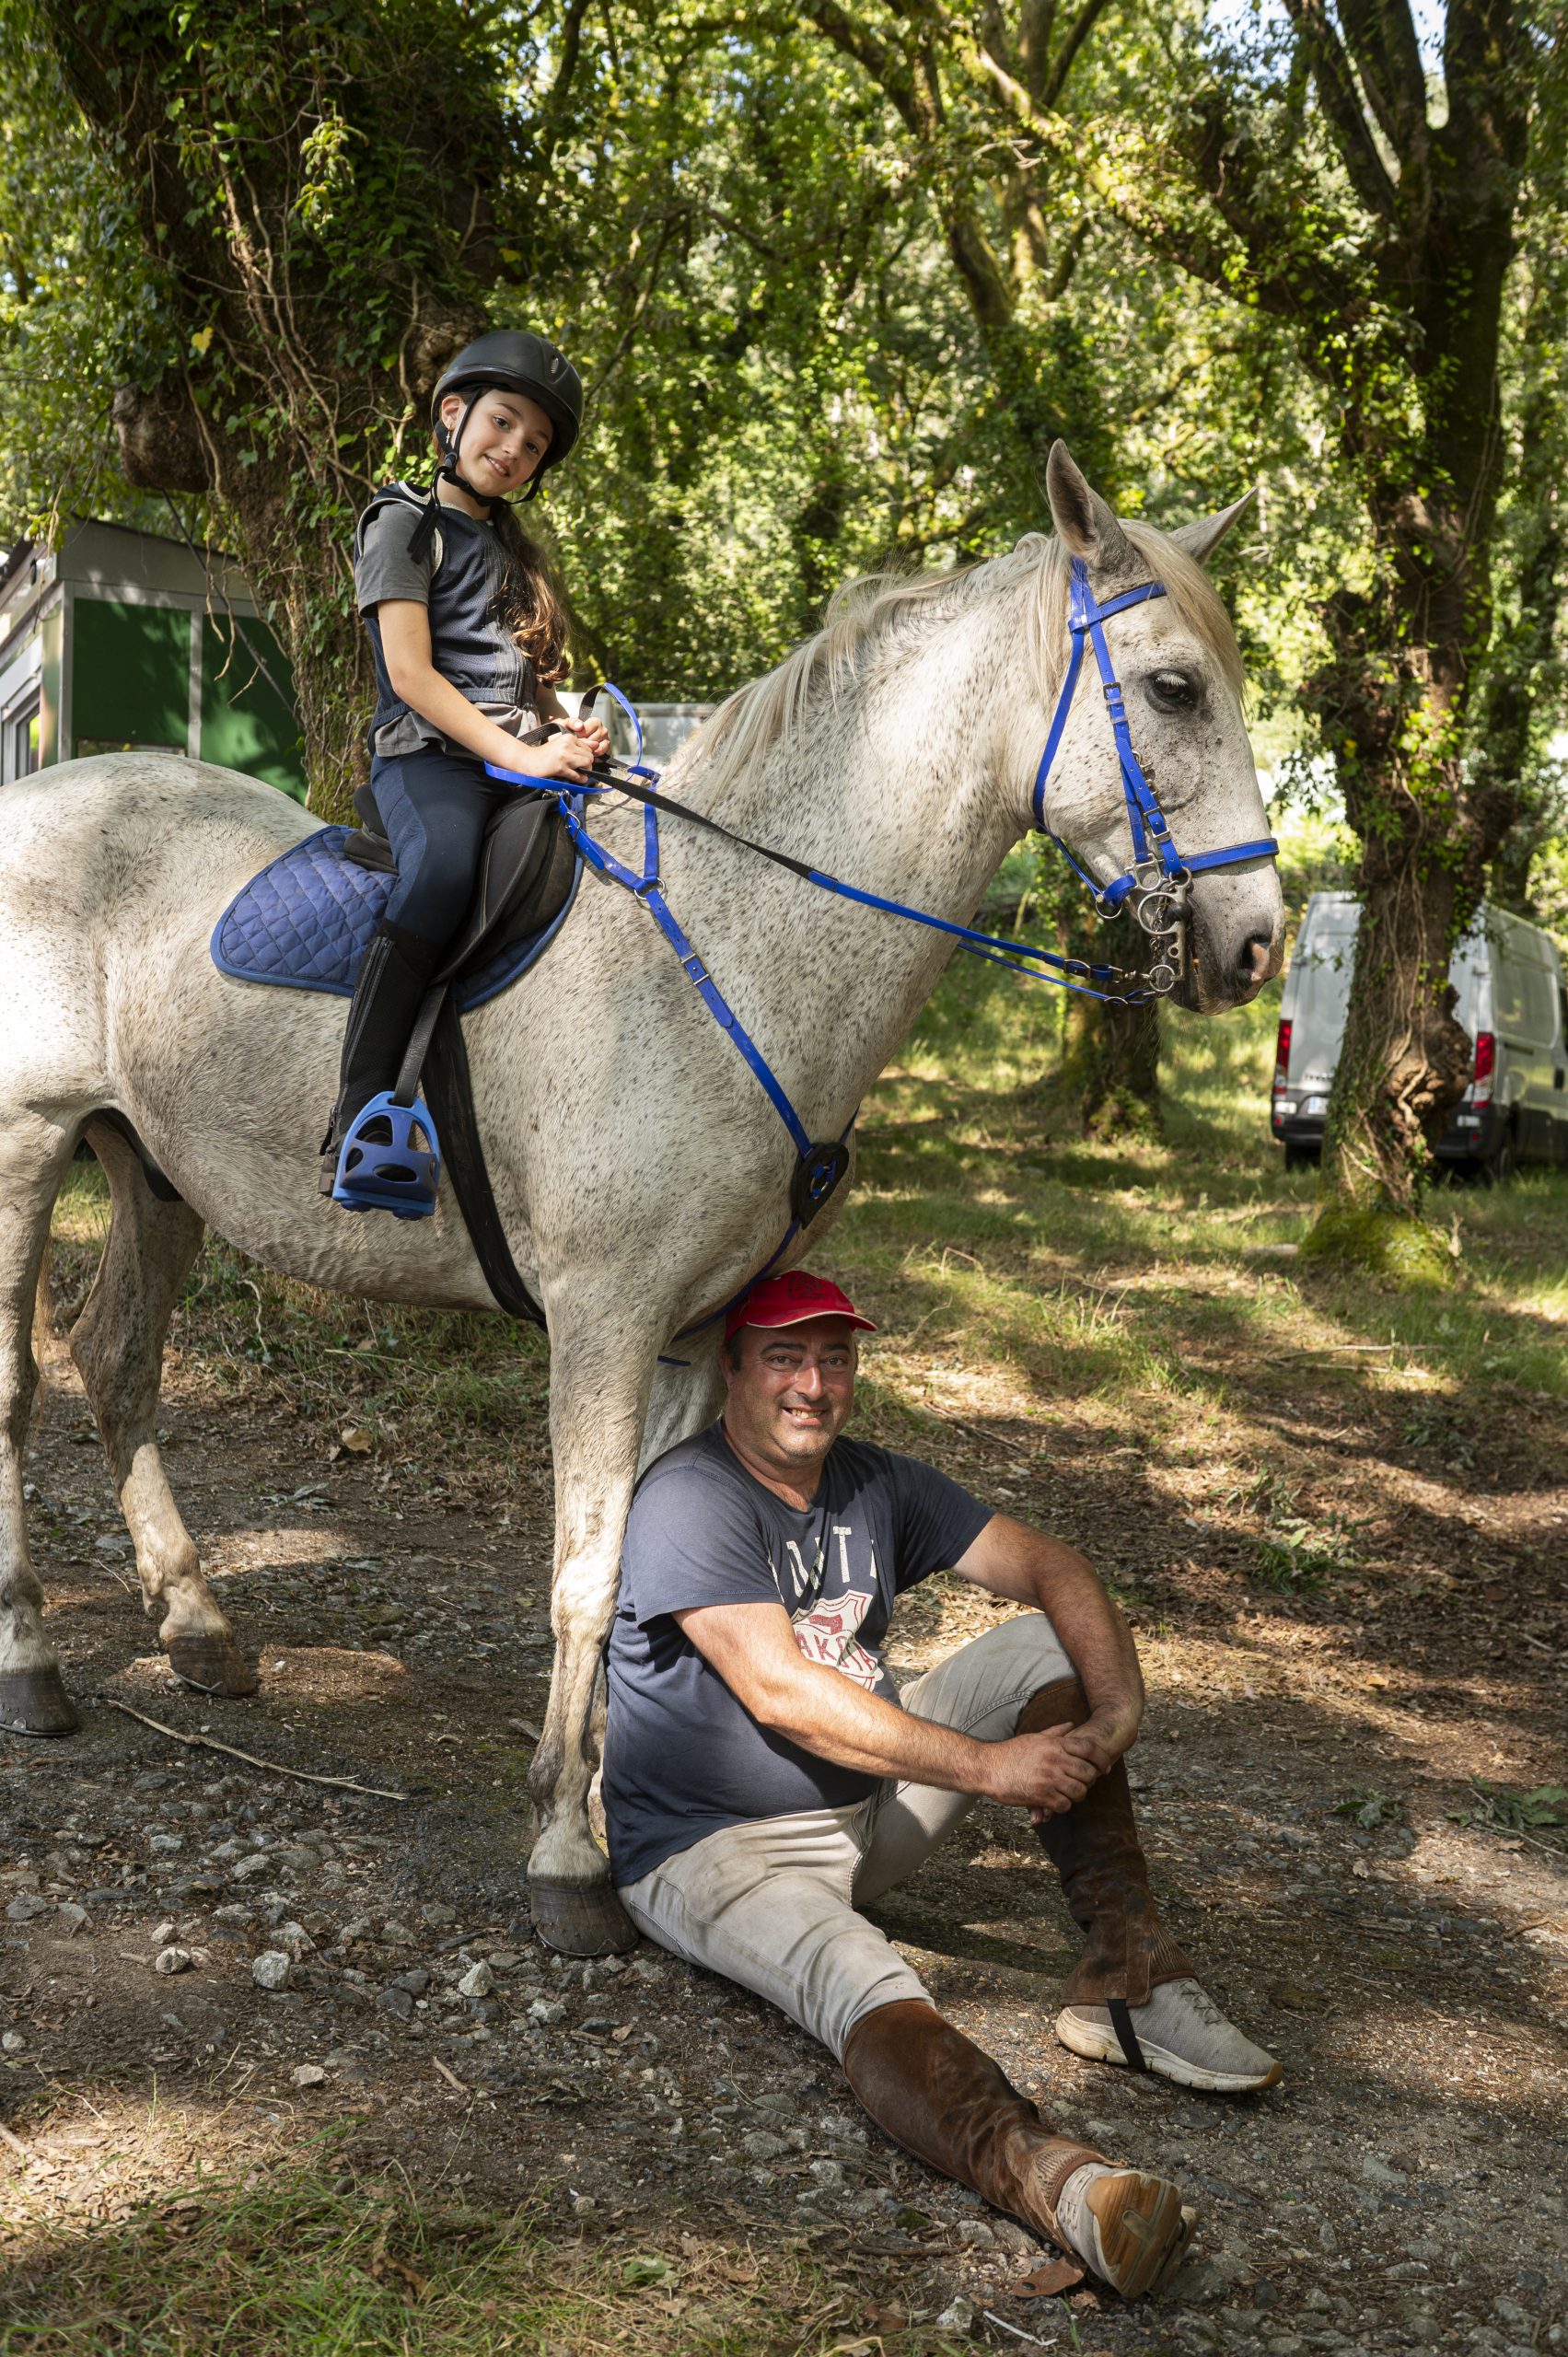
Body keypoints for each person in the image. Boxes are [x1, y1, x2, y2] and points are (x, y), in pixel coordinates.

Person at [601, 1269, 1282, 2301]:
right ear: (730, 1370)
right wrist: (985, 1765)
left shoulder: (872, 1481)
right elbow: (779, 1690)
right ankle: (1067, 2189)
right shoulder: (688, 1494)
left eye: (833, 1359)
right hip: (713, 1851)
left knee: (1040, 1644)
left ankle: (1124, 1981)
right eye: (783, 1356)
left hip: (862, 1812)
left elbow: (1052, 1566)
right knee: (860, 1979)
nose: (812, 1384)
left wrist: (1115, 1713)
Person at [321, 328, 610, 1214]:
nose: (515, 449)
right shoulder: (400, 523)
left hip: (520, 761)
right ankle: (360, 1111)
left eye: (534, 444)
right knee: (443, 870)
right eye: (504, 423)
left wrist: (571, 732)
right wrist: (524, 756)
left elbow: (536, 683)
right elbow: (411, 675)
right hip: (431, 760)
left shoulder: (521, 557)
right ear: (454, 415)